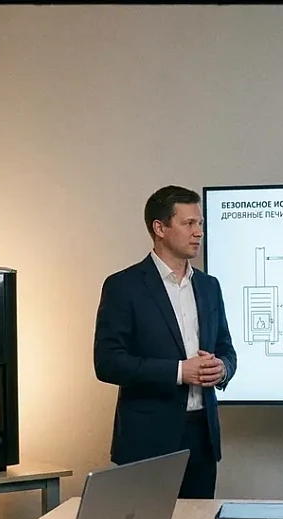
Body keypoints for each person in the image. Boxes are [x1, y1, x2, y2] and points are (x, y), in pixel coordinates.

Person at [94, 185, 237, 499]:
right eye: (189, 223)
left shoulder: (209, 286)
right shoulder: (123, 286)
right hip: (148, 442)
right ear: (160, 228)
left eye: (200, 223)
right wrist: (180, 372)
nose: (199, 232)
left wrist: (223, 369)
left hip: (203, 437)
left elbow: (226, 348)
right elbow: (108, 362)